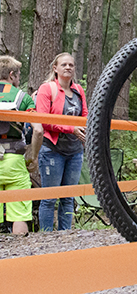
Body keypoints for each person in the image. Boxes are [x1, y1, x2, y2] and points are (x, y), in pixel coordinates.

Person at [35, 53, 87, 231]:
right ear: (55, 68)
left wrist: (86, 130)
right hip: (52, 150)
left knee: (68, 197)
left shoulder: (79, 91)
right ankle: (47, 237)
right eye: (64, 64)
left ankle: (65, 236)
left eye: (71, 65)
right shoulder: (47, 89)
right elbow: (44, 120)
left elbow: (85, 115)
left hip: (74, 151)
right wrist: (70, 129)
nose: (68, 67)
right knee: (50, 197)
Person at [0, 56, 43, 235]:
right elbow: (38, 130)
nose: (18, 79)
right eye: (18, 76)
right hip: (14, 160)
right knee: (19, 214)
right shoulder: (22, 98)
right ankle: (19, 258)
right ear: (11, 75)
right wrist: (32, 156)